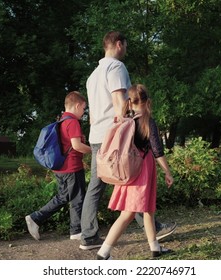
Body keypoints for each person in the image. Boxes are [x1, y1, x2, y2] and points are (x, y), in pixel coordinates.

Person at [79, 31, 177, 250]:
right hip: (117, 137)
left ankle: (88, 235)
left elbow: (93, 113)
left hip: (98, 135)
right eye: (126, 46)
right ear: (119, 44)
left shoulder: (93, 75)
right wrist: (131, 125)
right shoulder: (116, 67)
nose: (126, 50)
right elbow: (118, 100)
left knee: (96, 185)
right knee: (135, 179)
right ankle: (152, 231)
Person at [96, 84, 174, 259]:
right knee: (128, 214)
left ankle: (155, 247)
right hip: (143, 169)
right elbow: (157, 150)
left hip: (129, 168)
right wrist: (168, 172)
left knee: (148, 209)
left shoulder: (125, 119)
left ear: (129, 103)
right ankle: (103, 253)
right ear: (147, 102)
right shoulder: (147, 121)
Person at [25, 91, 91, 240]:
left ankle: (36, 218)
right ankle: (76, 231)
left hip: (60, 167)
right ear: (77, 105)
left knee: (63, 197)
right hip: (72, 167)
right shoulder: (73, 122)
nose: (83, 112)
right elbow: (77, 146)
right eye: (83, 109)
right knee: (77, 198)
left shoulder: (62, 120)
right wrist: (95, 150)